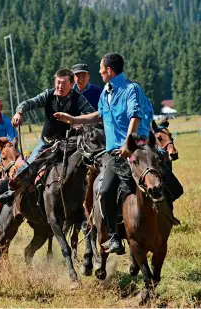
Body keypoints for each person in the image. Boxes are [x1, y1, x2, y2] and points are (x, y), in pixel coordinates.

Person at [53, 52, 155, 255]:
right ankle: (115, 236)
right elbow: (99, 115)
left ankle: (163, 219)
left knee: (160, 181)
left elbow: (135, 115)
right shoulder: (106, 92)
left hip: (135, 149)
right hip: (113, 154)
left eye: (101, 68)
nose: (99, 72)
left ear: (109, 70)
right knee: (106, 190)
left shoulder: (131, 89)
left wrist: (128, 142)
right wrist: (73, 120)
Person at [11, 68, 95, 165]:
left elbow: (91, 114)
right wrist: (19, 113)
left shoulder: (79, 99)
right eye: (58, 82)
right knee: (27, 168)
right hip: (46, 142)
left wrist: (79, 123)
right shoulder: (48, 95)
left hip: (71, 144)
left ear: (72, 85)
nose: (60, 86)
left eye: (64, 83)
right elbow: (28, 103)